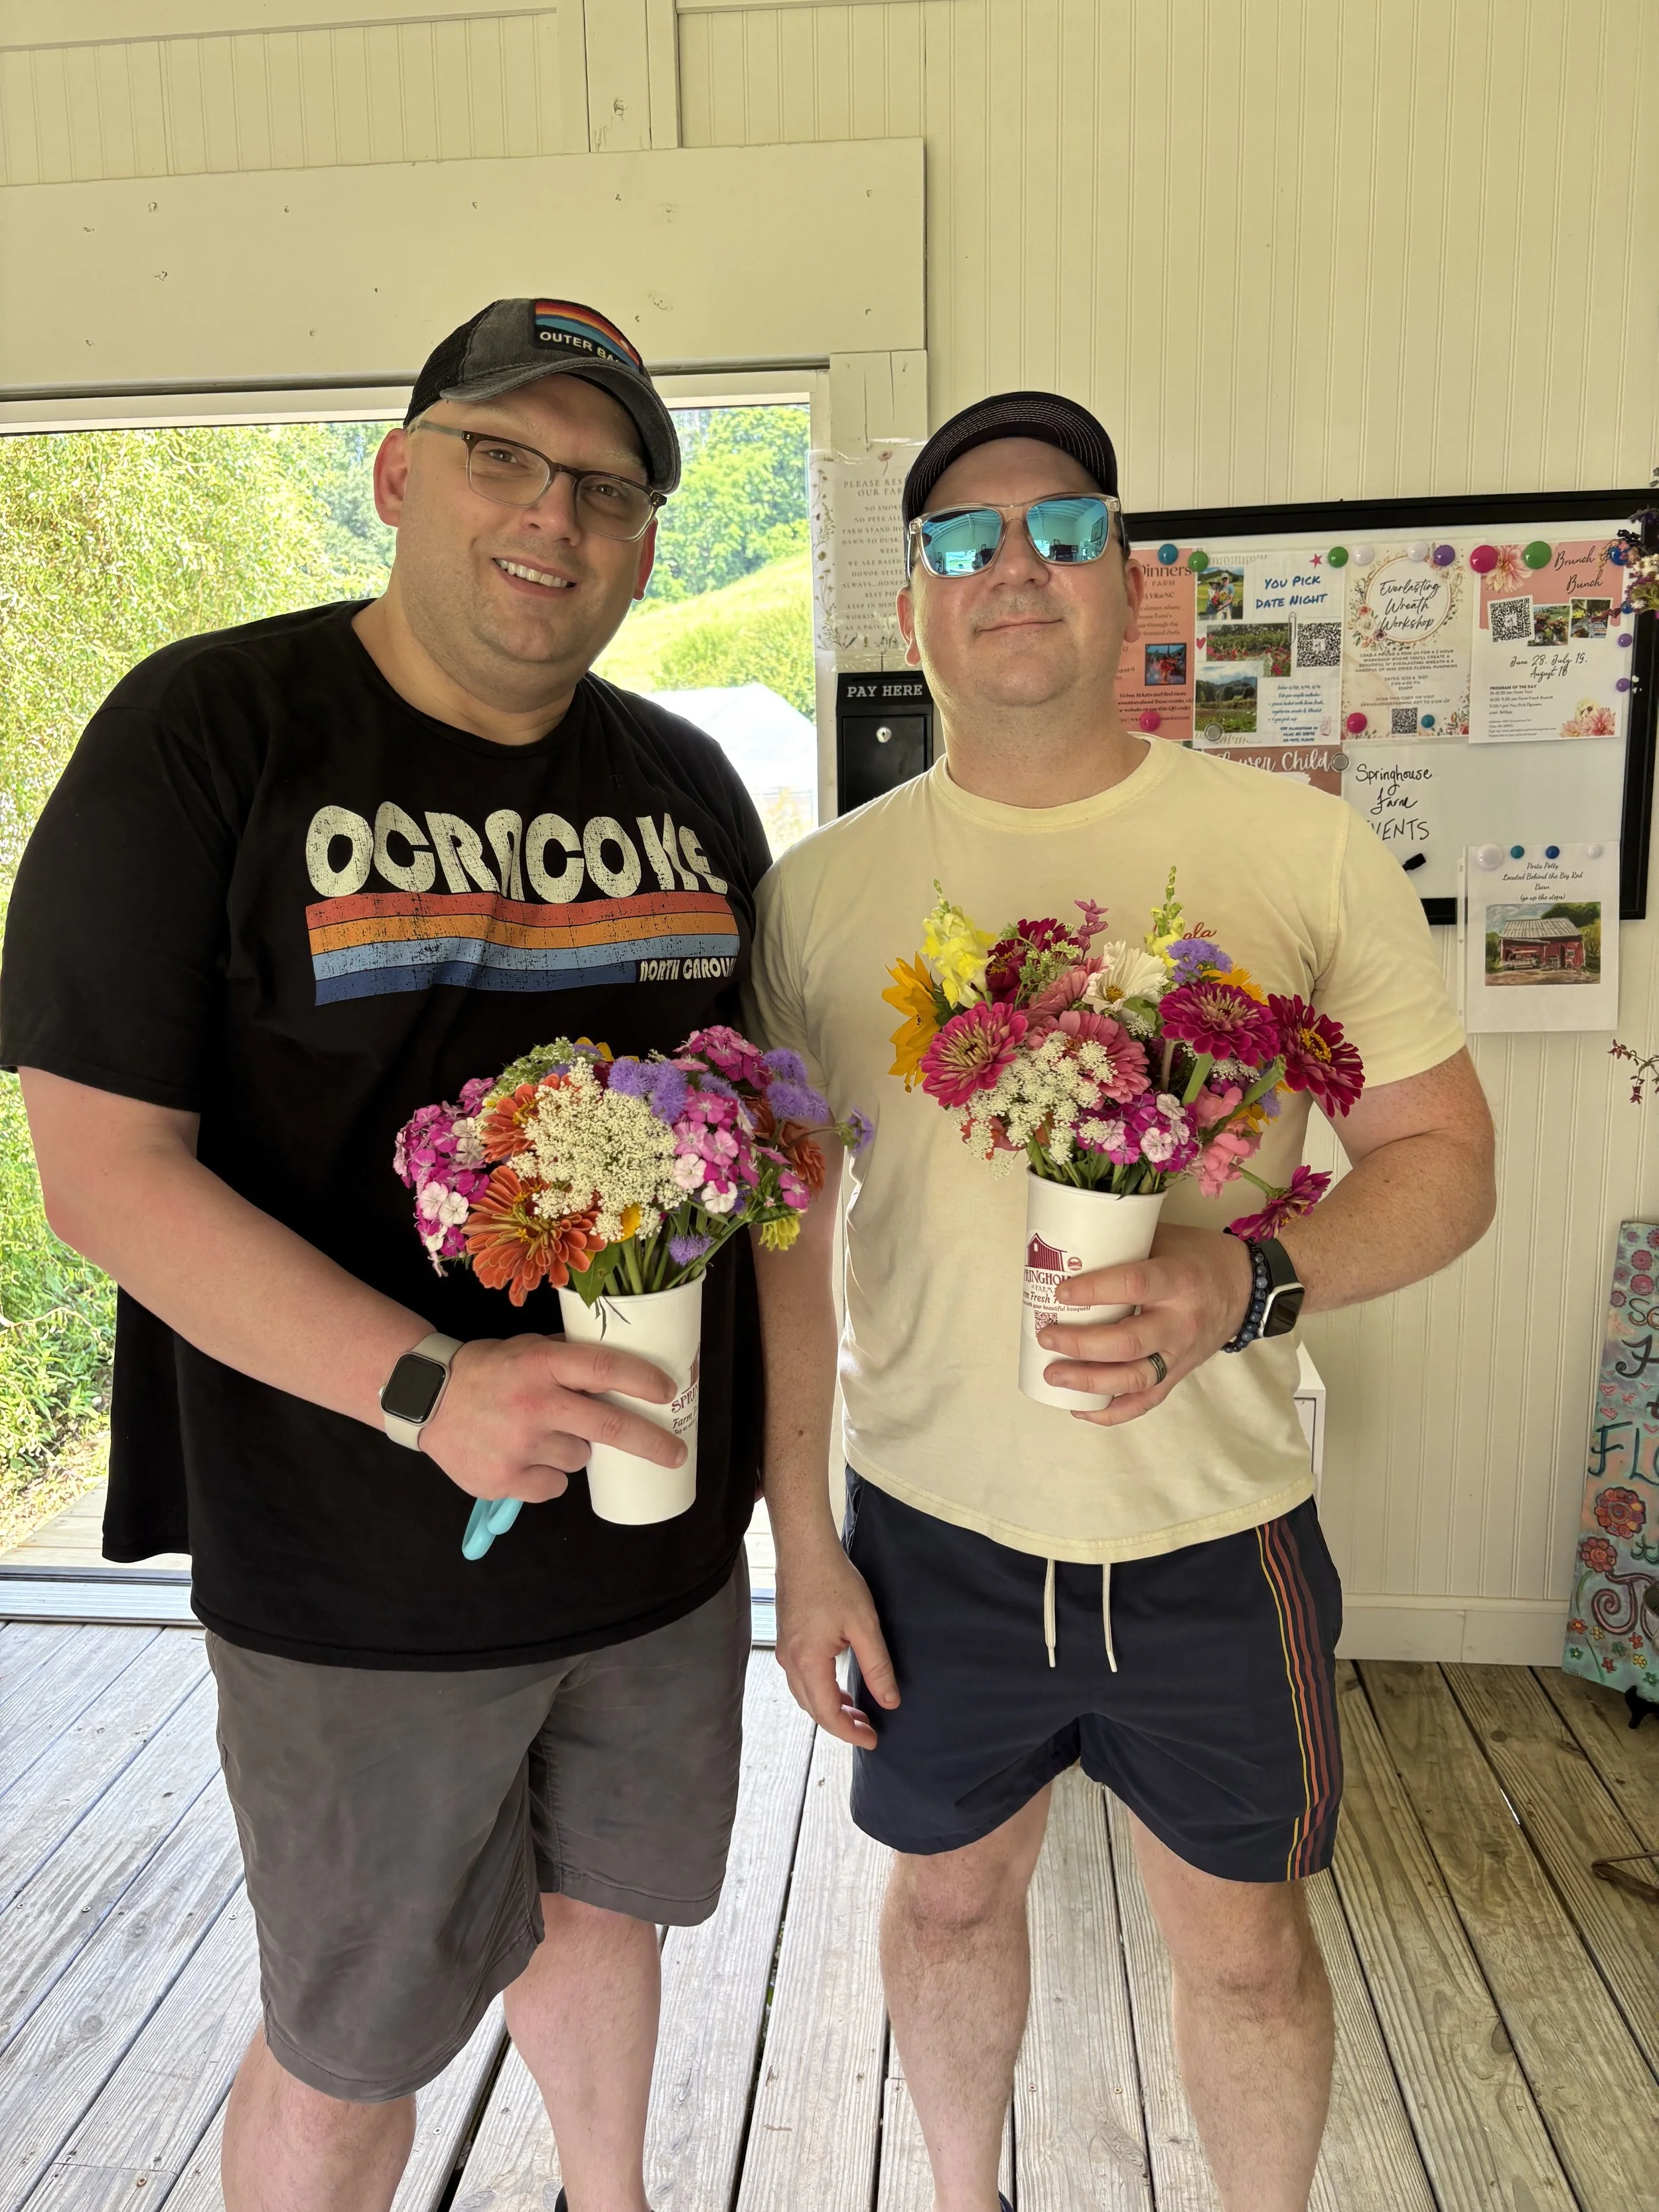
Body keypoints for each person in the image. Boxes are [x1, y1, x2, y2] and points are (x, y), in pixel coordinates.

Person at [0, 298, 775, 2212]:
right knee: (356, 2034)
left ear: (647, 542)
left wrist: (790, 1512)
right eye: (501, 455)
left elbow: (768, 1160)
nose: (551, 515)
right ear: (400, 474)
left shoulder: (685, 784)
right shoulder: (211, 730)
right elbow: (100, 1172)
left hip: (660, 1540)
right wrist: (430, 1386)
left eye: (604, 484)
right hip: (353, 1574)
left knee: (608, 1915)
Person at [747, 391, 1495, 2212]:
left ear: (1132, 584)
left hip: (1212, 1529)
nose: (1015, 567)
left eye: (1064, 529)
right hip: (927, 1533)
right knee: (943, 1896)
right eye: (962, 539)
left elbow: (1445, 1162)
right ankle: (959, 2193)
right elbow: (786, 1244)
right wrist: (803, 1541)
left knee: (1243, 1951)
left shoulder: (1294, 851)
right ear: (911, 602)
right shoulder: (820, 895)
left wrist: (1236, 1281)